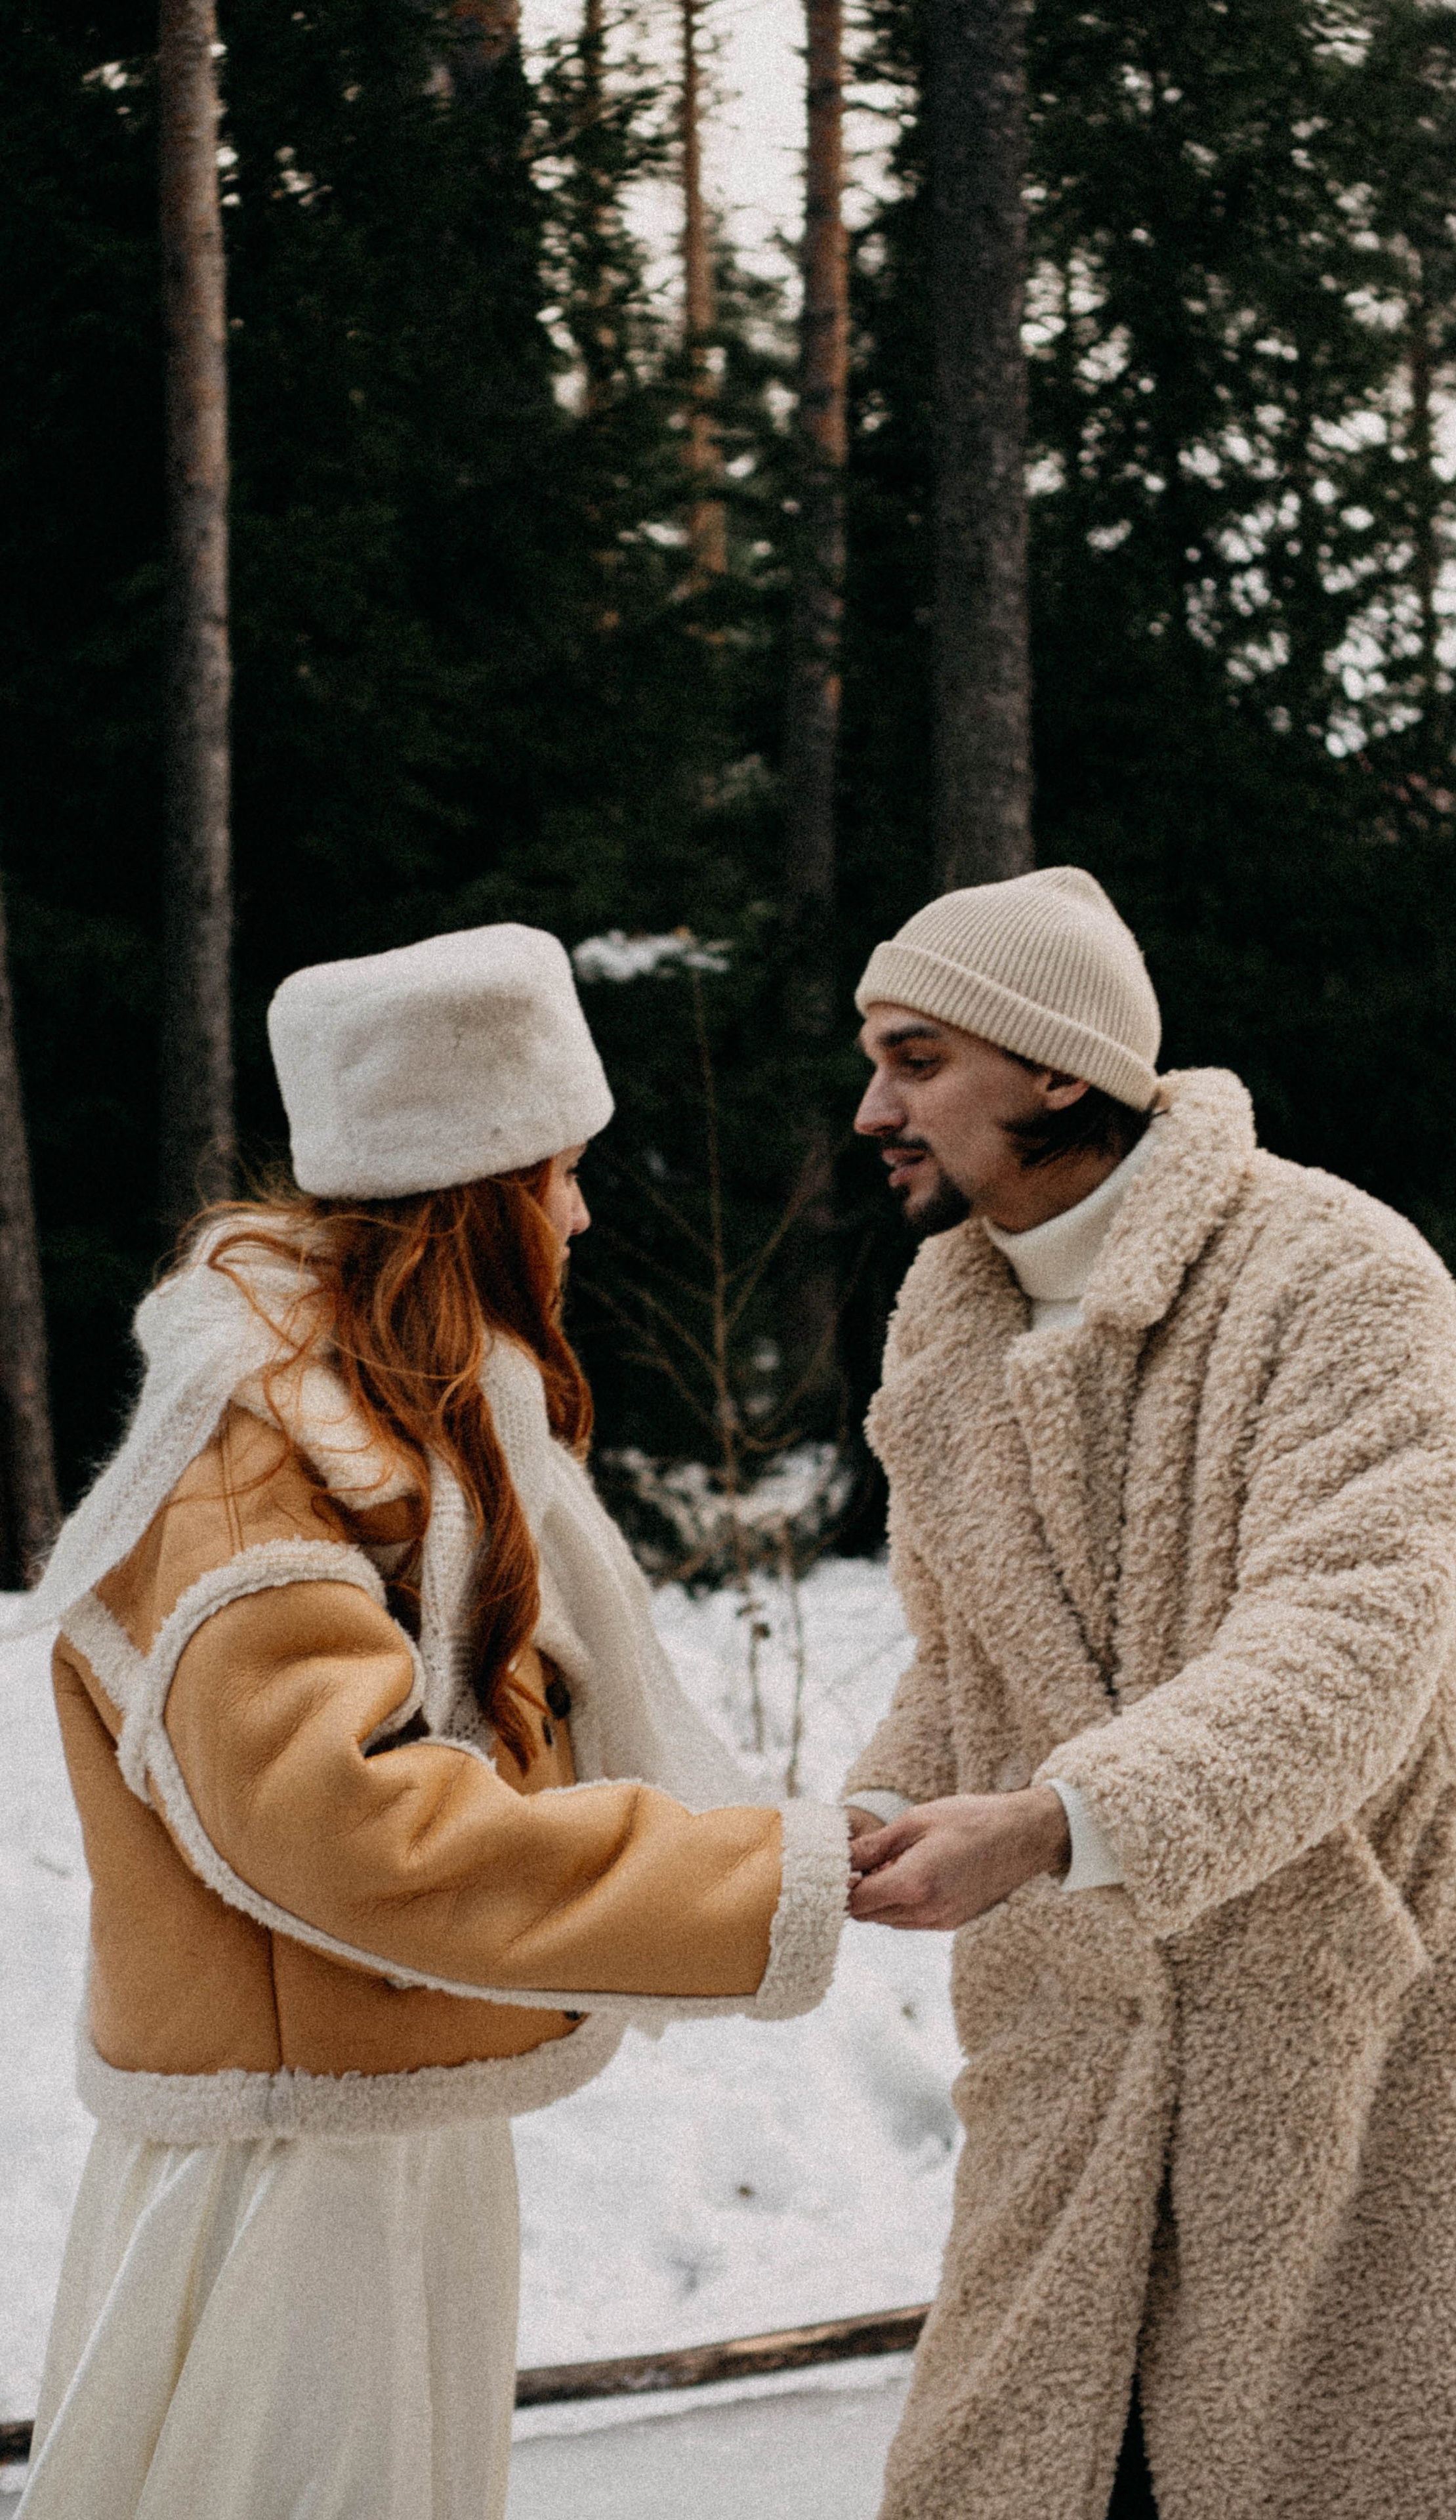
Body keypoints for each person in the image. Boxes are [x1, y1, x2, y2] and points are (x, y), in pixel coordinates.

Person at [11, 923, 850, 2520]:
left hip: (378, 2108)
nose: (585, 1212)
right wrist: (758, 1881)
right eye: (557, 1171)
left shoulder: (403, 1411)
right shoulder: (254, 1449)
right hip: (291, 2167)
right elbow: (341, 1823)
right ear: (473, 1186)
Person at [842, 868, 1456, 2520]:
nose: (870, 1110)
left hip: (1327, 2064)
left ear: (1054, 1068)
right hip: (1068, 2080)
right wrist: (862, 1818)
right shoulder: (949, 1324)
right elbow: (960, 1659)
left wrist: (1061, 1824)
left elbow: (1347, 1646)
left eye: (914, 1061)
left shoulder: (1339, 1280)